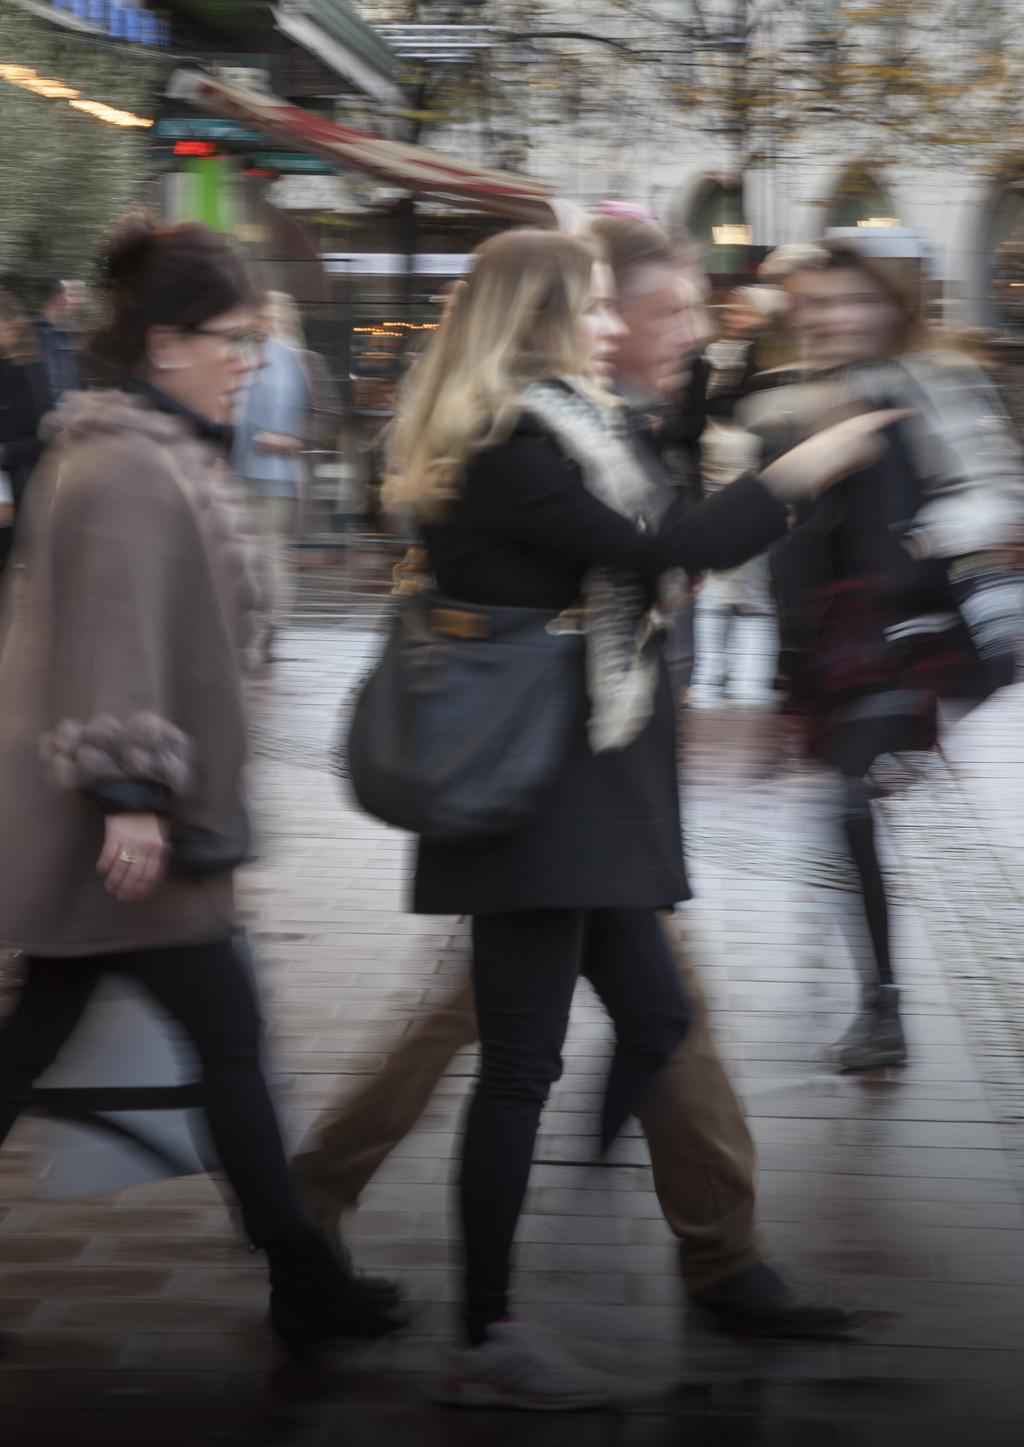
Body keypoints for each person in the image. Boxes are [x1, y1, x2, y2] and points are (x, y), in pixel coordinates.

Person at [311, 227, 905, 1410]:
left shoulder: (571, 423)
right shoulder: (510, 445)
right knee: (517, 1065)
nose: (605, 325)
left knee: (655, 1014)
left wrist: (703, 409)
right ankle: (487, 1332)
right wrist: (799, 469)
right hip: (530, 790)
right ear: (534, 317)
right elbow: (657, 552)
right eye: (587, 307)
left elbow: (652, 530)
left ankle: (566, 1224)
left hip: (579, 785)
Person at [0, 217, 402, 1359]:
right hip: (125, 830)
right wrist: (131, 791)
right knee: (229, 1036)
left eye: (258, 340)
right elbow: (111, 635)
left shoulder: (151, 447)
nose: (252, 361)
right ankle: (304, 1280)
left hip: (121, 827)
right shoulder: (127, 462)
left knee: (44, 1036)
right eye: (233, 339)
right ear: (166, 342)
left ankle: (305, 1278)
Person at [749, 239, 1024, 1071]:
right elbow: (786, 553)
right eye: (822, 302)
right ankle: (876, 994)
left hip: (916, 636)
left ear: (889, 308)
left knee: (845, 800)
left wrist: (929, 537)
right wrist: (775, 677)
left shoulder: (933, 391)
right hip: (835, 642)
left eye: (856, 301)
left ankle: (883, 1006)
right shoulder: (788, 407)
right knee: (841, 812)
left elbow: (993, 499)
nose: (838, 317)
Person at [689, 285, 789, 710]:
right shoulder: (716, 352)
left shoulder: (767, 357)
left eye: (744, 309)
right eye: (731, 308)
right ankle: (717, 672)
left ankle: (744, 673)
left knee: (747, 577)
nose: (734, 315)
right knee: (720, 577)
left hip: (747, 467)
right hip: (716, 467)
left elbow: (735, 406)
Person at [232, 290, 313, 661]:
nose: (257, 321)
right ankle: (260, 622)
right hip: (250, 471)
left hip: (265, 473)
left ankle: (271, 623)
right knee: (255, 554)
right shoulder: (264, 357)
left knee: (265, 554)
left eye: (261, 315)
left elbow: (314, 415)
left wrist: (285, 439)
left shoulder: (284, 360)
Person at [0, 292, 54, 572]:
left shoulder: (31, 368)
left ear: (8, 324)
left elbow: (45, 438)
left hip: (12, 483)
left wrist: (6, 452)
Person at [33, 277, 86, 400]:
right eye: (74, 296)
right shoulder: (36, 333)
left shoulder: (68, 335)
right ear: (58, 299)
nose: (81, 304)